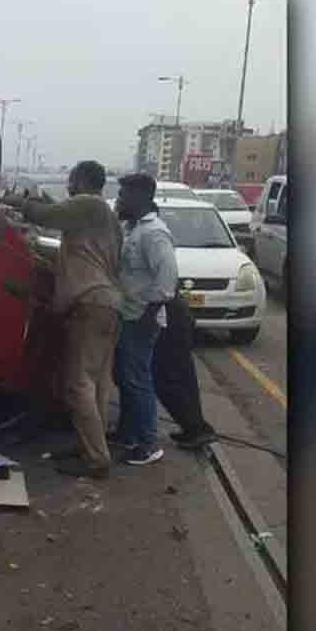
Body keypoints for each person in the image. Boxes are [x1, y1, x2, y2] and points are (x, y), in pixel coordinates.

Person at [2, 161, 123, 479]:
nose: (68, 185)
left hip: (90, 302)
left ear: (83, 180)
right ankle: (91, 446)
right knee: (96, 384)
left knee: (77, 384)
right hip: (107, 302)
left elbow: (47, 217)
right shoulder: (106, 218)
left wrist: (15, 201)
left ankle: (96, 460)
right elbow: (79, 248)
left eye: (71, 180)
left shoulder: (89, 205)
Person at [110, 173, 178, 466]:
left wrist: (146, 317)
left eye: (124, 195)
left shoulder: (154, 233)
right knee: (124, 377)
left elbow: (167, 280)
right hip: (128, 314)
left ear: (140, 196)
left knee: (137, 379)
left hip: (141, 318)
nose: (120, 200)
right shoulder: (133, 228)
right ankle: (128, 433)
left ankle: (149, 443)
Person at [154, 292, 219, 450]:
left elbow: (161, 290)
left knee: (168, 380)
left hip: (171, 321)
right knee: (183, 379)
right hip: (175, 317)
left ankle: (196, 429)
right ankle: (195, 427)